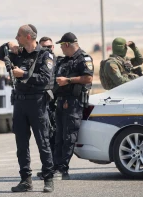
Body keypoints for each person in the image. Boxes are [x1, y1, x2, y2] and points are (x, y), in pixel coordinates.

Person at [0, 24, 55, 193]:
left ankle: (48, 178)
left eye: (18, 35)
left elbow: (44, 79)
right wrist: (8, 45)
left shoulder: (45, 54)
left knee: (43, 142)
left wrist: (24, 75)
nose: (16, 38)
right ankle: (25, 180)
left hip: (37, 102)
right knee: (21, 144)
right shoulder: (18, 53)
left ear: (28, 37)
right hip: (20, 103)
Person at [52, 32, 93, 180]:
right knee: (58, 136)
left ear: (67, 44)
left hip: (74, 102)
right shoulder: (64, 60)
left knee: (69, 136)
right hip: (61, 101)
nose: (61, 48)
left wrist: (68, 80)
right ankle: (55, 167)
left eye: (62, 45)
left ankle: (63, 169)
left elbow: (88, 77)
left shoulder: (83, 58)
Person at [36, 36, 57, 180]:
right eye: (44, 47)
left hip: (55, 103)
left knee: (53, 136)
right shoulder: (39, 61)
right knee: (45, 138)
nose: (47, 49)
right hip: (43, 102)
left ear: (53, 47)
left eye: (49, 47)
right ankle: (47, 168)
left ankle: (53, 168)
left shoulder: (59, 62)